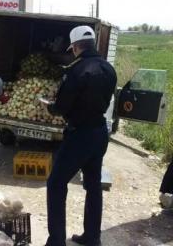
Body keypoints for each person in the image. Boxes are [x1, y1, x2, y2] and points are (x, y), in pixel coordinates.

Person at [43, 26, 117, 246]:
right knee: (93, 185)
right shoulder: (109, 69)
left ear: (75, 47)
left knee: (56, 183)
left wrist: (50, 107)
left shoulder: (75, 71)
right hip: (99, 133)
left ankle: (56, 241)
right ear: (93, 44)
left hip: (79, 135)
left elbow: (62, 107)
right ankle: (92, 237)